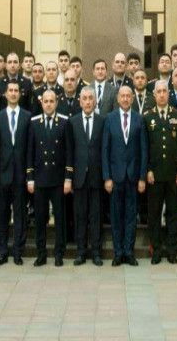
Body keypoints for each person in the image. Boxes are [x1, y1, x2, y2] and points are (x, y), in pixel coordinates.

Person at [102, 85, 148, 265]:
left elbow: (144, 150)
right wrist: (107, 177)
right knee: (116, 216)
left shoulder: (139, 119)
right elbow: (105, 150)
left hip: (133, 177)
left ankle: (129, 252)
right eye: (123, 96)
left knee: (131, 216)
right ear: (118, 98)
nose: (126, 99)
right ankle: (118, 252)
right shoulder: (109, 119)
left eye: (129, 96)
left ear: (132, 99)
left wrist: (142, 177)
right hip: (115, 177)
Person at [145, 80, 177, 264]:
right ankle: (155, 250)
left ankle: (171, 250)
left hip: (172, 175)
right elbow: (145, 147)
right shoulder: (148, 117)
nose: (161, 94)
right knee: (153, 214)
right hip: (155, 174)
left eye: (164, 91)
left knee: (173, 213)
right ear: (154, 95)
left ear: (169, 94)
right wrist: (148, 170)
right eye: (158, 91)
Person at [28, 89, 70, 266]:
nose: (48, 104)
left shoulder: (64, 122)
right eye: (45, 101)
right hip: (40, 179)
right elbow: (30, 152)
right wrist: (30, 177)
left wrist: (68, 178)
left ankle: (59, 253)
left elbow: (69, 152)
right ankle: (41, 253)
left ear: (56, 103)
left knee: (60, 218)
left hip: (58, 180)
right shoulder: (34, 123)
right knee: (40, 218)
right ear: (41, 103)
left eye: (52, 101)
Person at [66, 86, 105, 265]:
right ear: (80, 102)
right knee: (80, 215)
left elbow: (104, 150)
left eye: (91, 98)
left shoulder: (101, 121)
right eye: (85, 98)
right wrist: (69, 177)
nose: (88, 102)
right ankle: (81, 252)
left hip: (96, 177)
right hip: (79, 177)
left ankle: (96, 252)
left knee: (95, 216)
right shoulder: (72, 122)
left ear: (95, 101)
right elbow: (69, 151)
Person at [0, 80, 31, 264]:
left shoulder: (27, 116)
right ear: (5, 94)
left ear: (20, 94)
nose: (14, 93)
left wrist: (29, 174)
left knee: (20, 215)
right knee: (1, 214)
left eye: (17, 90)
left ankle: (18, 251)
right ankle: (2, 251)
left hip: (20, 174)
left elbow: (30, 148)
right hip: (2, 174)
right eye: (11, 90)